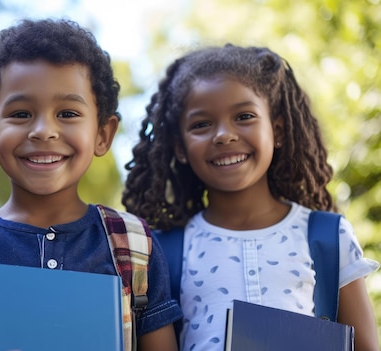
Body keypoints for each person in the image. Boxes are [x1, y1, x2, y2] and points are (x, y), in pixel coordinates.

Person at [0, 18, 181, 351]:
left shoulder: (137, 244)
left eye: (67, 113)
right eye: (21, 114)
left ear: (102, 134)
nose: (43, 130)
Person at [122, 43, 380, 351]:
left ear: (278, 130)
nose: (224, 135)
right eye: (201, 124)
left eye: (244, 116)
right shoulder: (163, 251)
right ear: (179, 147)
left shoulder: (328, 236)